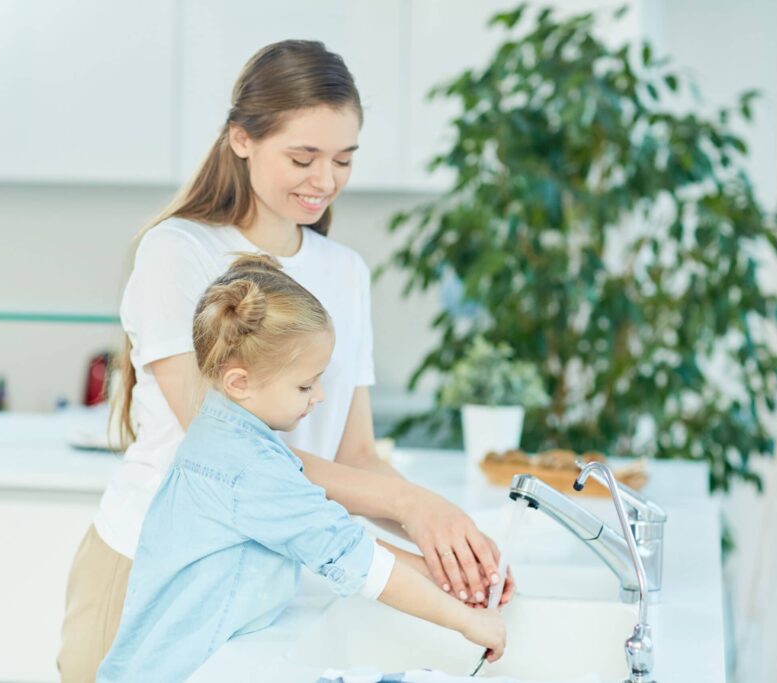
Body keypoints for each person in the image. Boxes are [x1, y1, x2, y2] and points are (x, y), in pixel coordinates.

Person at [58, 39, 513, 681]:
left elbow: (353, 453)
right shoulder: (176, 253)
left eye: (344, 159)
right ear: (242, 139)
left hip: (268, 578)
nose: (325, 181)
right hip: (155, 574)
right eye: (303, 157)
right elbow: (233, 450)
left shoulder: (345, 274)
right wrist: (408, 509)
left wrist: (443, 541)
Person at [97, 255, 506, 681]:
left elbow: (342, 542)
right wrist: (467, 621)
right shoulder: (250, 468)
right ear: (239, 383)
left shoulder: (226, 437)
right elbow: (356, 560)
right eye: (305, 385)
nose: (320, 396)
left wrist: (458, 578)